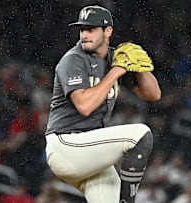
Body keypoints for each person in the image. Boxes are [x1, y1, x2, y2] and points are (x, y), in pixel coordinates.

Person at [44, 4, 161, 203]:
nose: (84, 35)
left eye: (91, 29)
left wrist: (140, 69)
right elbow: (84, 106)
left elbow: (154, 94)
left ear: (108, 31)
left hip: (90, 153)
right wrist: (117, 71)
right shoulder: (73, 60)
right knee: (140, 135)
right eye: (82, 29)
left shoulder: (115, 58)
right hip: (67, 144)